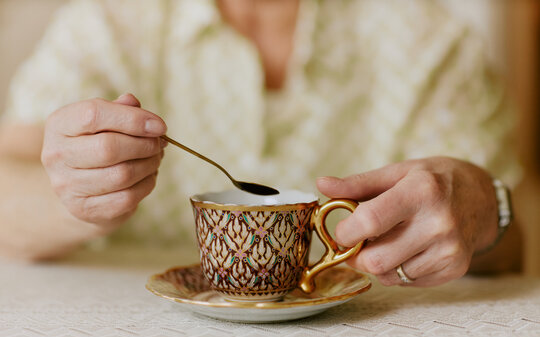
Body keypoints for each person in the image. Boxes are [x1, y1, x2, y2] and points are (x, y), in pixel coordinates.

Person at [0, 0, 522, 287]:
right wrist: (75, 199)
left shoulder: (427, 40)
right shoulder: (106, 25)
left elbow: (515, 240)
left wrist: (480, 210)